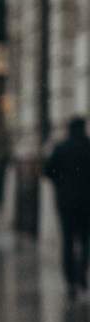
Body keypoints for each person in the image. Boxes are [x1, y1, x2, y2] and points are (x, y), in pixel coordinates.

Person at [44, 117, 90, 297]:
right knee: (86, 238)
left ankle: (70, 281)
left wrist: (62, 183)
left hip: (66, 202)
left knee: (68, 240)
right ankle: (81, 269)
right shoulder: (88, 148)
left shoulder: (61, 147)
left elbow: (48, 171)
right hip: (87, 201)